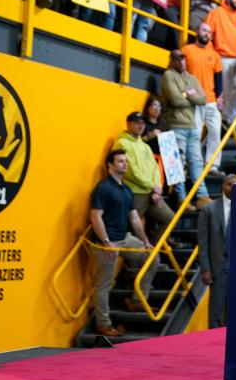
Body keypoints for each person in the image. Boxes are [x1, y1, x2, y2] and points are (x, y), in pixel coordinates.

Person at [88, 150, 160, 338]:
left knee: (152, 258)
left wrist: (145, 242)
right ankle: (103, 324)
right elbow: (96, 217)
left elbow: (135, 219)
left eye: (126, 161)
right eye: (120, 161)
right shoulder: (103, 188)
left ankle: (137, 300)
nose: (125, 164)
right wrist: (106, 242)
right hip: (106, 243)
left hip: (125, 238)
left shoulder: (126, 189)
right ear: (110, 165)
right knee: (104, 284)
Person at [111, 112, 175, 241]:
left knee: (170, 218)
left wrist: (157, 186)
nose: (140, 126)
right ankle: (136, 258)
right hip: (134, 193)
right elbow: (130, 171)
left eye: (143, 123)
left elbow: (154, 168)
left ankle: (150, 252)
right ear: (128, 124)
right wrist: (153, 186)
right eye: (137, 123)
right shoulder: (122, 143)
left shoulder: (145, 146)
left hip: (151, 193)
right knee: (133, 228)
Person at [162, 50, 213, 209]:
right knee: (177, 164)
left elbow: (203, 99)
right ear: (173, 60)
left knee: (196, 162)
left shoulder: (192, 78)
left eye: (184, 59)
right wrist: (188, 95)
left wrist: (184, 96)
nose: (182, 62)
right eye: (179, 59)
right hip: (175, 125)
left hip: (192, 126)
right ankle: (181, 199)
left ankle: (202, 197)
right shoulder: (168, 75)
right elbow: (175, 99)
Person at [181, 23, 224, 177]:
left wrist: (220, 96)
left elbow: (218, 78)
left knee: (215, 131)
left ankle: (212, 165)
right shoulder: (186, 51)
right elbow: (179, 73)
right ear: (197, 31)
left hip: (211, 99)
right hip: (194, 100)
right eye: (204, 30)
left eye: (209, 31)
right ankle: (194, 164)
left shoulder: (215, 55)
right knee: (196, 133)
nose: (206, 33)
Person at [198, 174, 236, 328]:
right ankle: (212, 347)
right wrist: (205, 269)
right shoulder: (209, 209)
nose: (233, 187)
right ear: (222, 186)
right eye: (229, 184)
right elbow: (203, 242)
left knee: (235, 313)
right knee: (216, 312)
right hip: (218, 268)